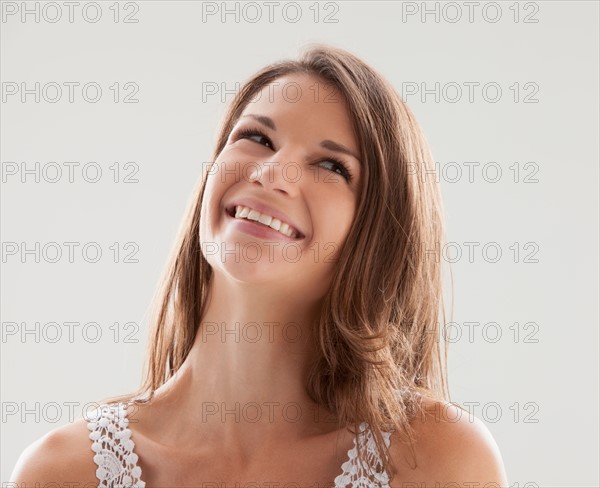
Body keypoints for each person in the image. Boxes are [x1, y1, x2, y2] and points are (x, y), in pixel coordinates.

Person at [10, 43, 508, 487]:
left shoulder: (437, 459)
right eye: (258, 138)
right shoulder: (60, 473)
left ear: (377, 234)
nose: (272, 173)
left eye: (332, 166)